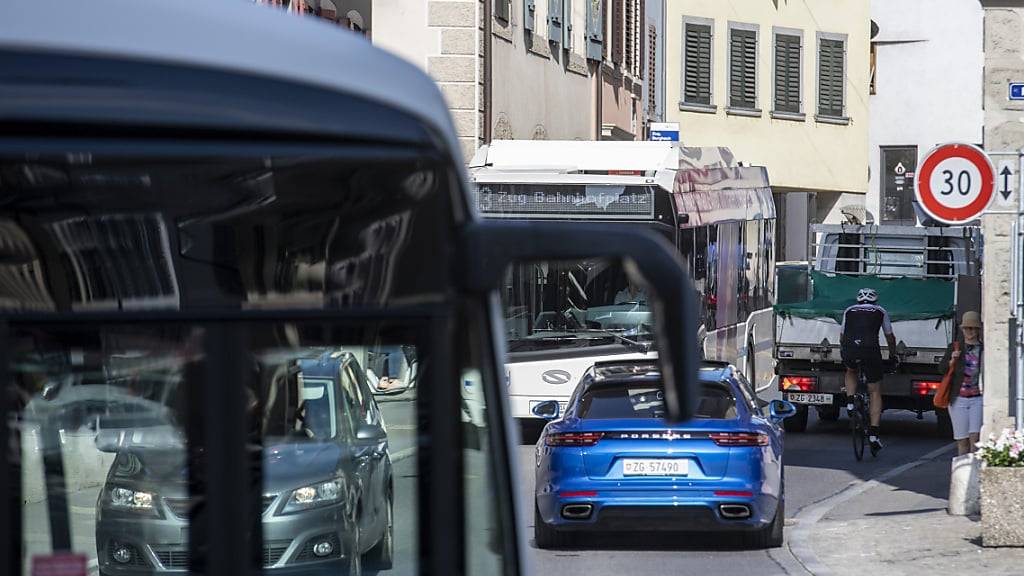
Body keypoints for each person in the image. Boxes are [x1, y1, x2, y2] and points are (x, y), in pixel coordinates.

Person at [840, 288, 897, 453]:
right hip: (870, 350)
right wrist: (892, 354)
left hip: (851, 348)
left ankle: (850, 402)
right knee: (875, 391)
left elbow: (842, 335)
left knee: (850, 370)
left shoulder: (849, 310)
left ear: (858, 300)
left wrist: (844, 349)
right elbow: (889, 336)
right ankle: (873, 435)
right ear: (875, 300)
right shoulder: (880, 311)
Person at [939, 311, 983, 456]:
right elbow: (941, 369)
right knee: (962, 440)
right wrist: (952, 360)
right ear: (962, 329)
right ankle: (963, 474)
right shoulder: (955, 347)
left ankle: (974, 474)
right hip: (958, 399)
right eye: (967, 328)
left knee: (975, 440)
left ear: (978, 330)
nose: (970, 332)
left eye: (973, 328)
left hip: (977, 398)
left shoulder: (983, 349)